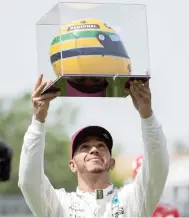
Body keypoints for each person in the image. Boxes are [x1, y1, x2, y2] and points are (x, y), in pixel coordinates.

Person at [18, 74, 169, 217]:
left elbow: (157, 168)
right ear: (72, 165)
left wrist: (147, 116)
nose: (94, 150)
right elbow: (29, 181)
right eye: (84, 147)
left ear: (112, 162)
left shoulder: (131, 200)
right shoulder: (59, 205)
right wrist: (38, 121)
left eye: (101, 146)